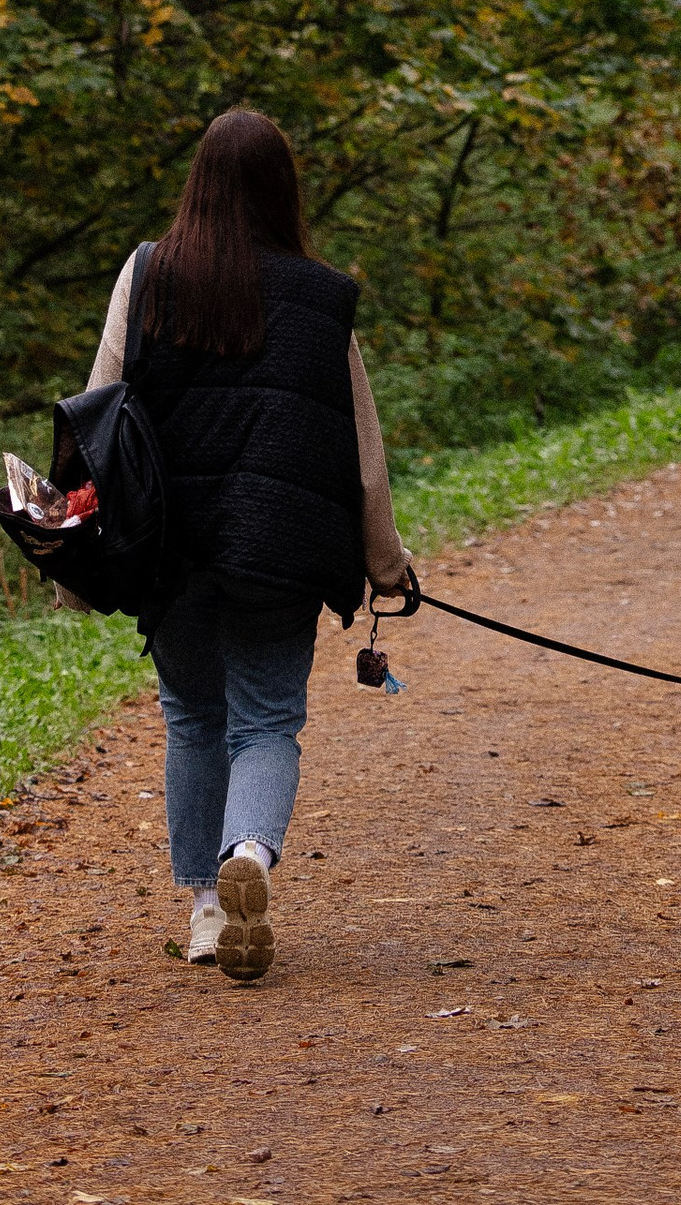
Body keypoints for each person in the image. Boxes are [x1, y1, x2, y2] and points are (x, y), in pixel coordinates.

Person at [91, 105, 415, 983]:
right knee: (267, 719)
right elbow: (361, 448)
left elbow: (100, 409)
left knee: (193, 716)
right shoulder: (323, 296)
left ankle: (206, 910)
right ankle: (250, 855)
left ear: (197, 183)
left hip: (171, 548)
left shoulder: (147, 274)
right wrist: (385, 563)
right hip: (281, 546)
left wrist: (80, 558)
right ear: (284, 190)